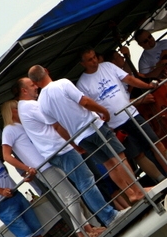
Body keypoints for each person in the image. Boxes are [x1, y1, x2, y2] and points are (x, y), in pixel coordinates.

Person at [14, 78, 125, 229]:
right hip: (61, 149)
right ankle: (109, 216)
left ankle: (106, 217)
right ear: (24, 90)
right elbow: (56, 121)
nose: (36, 87)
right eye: (32, 85)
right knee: (86, 181)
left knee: (83, 183)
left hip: (54, 151)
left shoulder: (23, 108)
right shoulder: (31, 106)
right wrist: (73, 140)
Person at [27, 65, 146, 205]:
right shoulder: (62, 83)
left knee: (109, 165)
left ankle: (130, 194)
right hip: (93, 127)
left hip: (80, 138)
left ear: (34, 82)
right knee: (119, 158)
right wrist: (104, 111)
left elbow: (57, 127)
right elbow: (85, 101)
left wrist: (73, 143)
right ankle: (138, 191)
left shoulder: (41, 103)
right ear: (47, 71)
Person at [1, 100, 105, 237]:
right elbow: (6, 156)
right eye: (17, 108)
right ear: (12, 112)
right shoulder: (9, 130)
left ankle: (87, 230)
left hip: (50, 161)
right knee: (72, 196)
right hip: (43, 168)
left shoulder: (22, 126)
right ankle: (81, 234)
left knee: (69, 198)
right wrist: (26, 168)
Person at [76, 48, 167, 181]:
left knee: (155, 142)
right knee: (137, 155)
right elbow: (89, 108)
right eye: (90, 60)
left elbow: (128, 79)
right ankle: (161, 179)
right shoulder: (82, 84)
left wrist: (147, 86)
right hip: (114, 125)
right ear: (82, 64)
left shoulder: (108, 66)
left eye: (94, 57)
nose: (94, 61)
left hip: (131, 114)